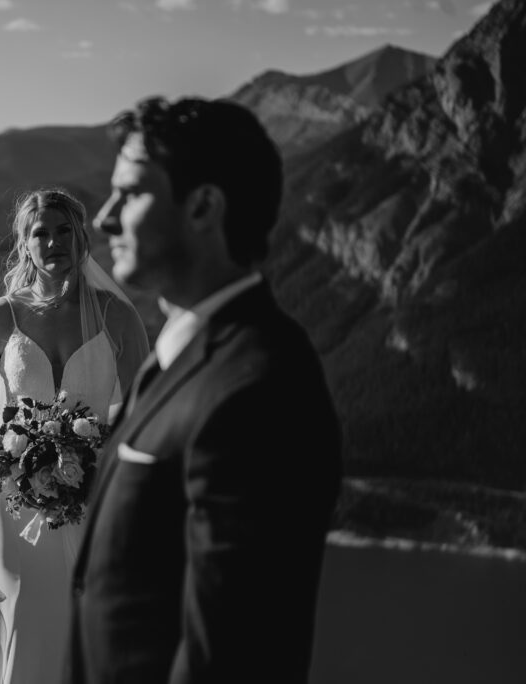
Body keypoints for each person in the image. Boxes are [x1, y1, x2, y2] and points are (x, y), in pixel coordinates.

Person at [67, 97, 343, 683]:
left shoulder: (259, 386)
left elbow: (231, 653)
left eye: (133, 193)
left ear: (203, 206)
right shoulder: (183, 349)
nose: (104, 218)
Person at [0, 187, 149, 684]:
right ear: (24, 243)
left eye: (65, 230)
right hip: (11, 495)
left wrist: (100, 466)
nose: (54, 241)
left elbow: (146, 413)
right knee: (21, 598)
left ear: (82, 238)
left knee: (84, 609)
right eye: (41, 232)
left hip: (93, 491)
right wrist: (7, 463)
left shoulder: (117, 316)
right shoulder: (1, 316)